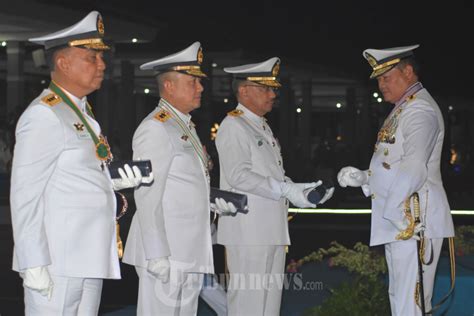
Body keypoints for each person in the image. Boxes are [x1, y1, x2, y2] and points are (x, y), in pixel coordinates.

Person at [9, 11, 151, 315]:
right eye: (91, 57)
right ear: (63, 63)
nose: (101, 65)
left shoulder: (80, 113)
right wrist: (32, 262)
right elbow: (25, 195)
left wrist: (111, 182)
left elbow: (74, 176)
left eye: (101, 57)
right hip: (57, 259)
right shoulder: (44, 115)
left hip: (88, 254)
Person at [337, 44, 454, 315]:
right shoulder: (404, 108)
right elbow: (394, 165)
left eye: (386, 77)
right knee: (401, 296)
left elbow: (415, 167)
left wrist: (391, 209)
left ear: (409, 72)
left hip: (412, 218)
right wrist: (365, 178)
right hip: (404, 216)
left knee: (409, 301)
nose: (381, 84)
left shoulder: (419, 111)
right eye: (378, 78)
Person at [122, 41, 235, 316]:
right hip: (166, 251)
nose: (201, 87)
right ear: (169, 86)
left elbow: (182, 186)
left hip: (188, 247)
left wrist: (210, 204)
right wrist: (157, 252)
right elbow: (148, 195)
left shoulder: (183, 124)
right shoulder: (156, 127)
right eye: (193, 81)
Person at [216, 57, 334, 315]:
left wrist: (300, 191)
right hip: (248, 233)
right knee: (248, 305)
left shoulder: (260, 126)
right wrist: (285, 189)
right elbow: (238, 175)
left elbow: (273, 175)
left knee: (269, 307)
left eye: (273, 89)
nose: (272, 94)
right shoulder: (233, 125)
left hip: (270, 229)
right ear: (244, 91)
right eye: (265, 88)